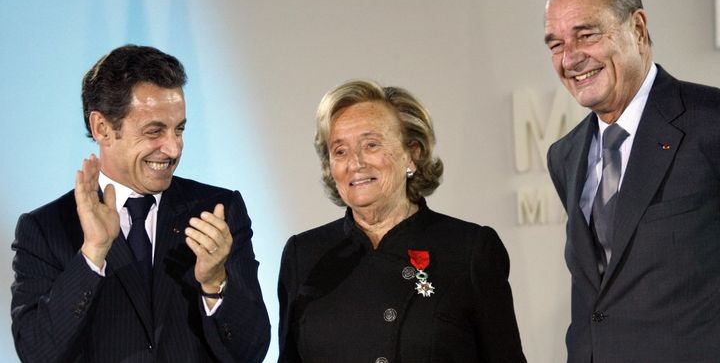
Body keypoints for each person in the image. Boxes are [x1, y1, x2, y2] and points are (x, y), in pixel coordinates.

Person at [10, 45, 270, 362]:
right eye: (154, 131)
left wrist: (215, 282)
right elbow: (38, 354)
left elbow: (251, 351)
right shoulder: (46, 228)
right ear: (102, 128)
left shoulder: (217, 211)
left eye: (179, 129)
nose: (173, 148)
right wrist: (92, 253)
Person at [277, 80, 526, 362]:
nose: (355, 163)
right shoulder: (305, 254)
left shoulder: (469, 249)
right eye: (340, 151)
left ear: (413, 154)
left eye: (371, 145)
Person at [545, 0, 720, 363]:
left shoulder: (710, 122)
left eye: (586, 35)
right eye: (556, 44)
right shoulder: (565, 155)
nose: (570, 58)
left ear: (638, 29)